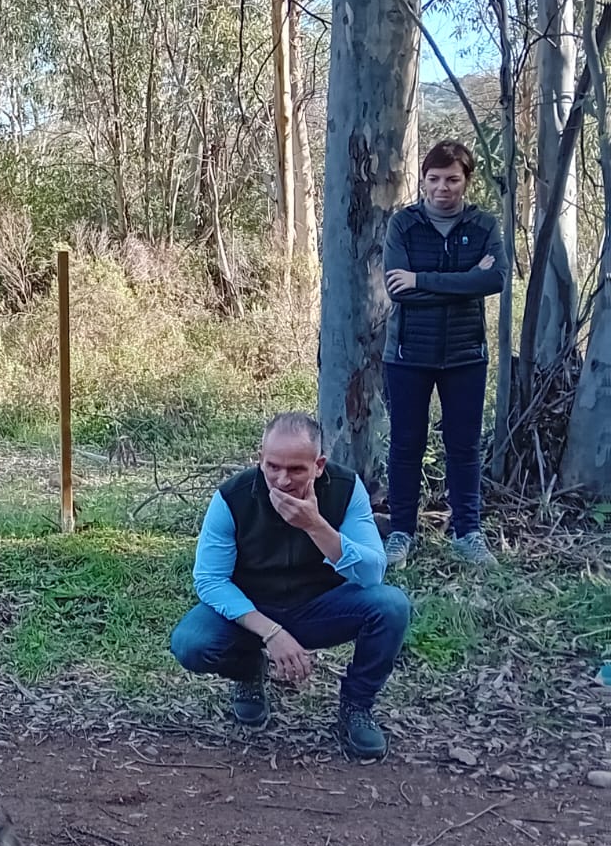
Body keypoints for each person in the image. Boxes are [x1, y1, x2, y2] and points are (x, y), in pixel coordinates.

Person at [168, 413, 407, 759]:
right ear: (260, 460)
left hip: (320, 608)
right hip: (251, 611)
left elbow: (372, 574)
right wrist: (271, 633)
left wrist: (316, 526)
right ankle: (249, 670)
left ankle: (357, 705)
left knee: (391, 606)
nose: (282, 480)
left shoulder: (345, 488)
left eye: (296, 469)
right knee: (191, 643)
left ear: (319, 465)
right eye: (273, 466)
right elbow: (210, 581)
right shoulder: (232, 497)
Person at [383, 138, 507, 569]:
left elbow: (494, 283)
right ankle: (401, 533)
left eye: (453, 179)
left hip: (466, 355)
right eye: (434, 179)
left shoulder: (485, 225)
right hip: (406, 354)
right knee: (406, 444)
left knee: (464, 446)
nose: (443, 188)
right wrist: (463, 281)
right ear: (422, 181)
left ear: (466, 181)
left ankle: (468, 533)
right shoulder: (403, 225)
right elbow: (397, 293)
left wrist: (420, 280)